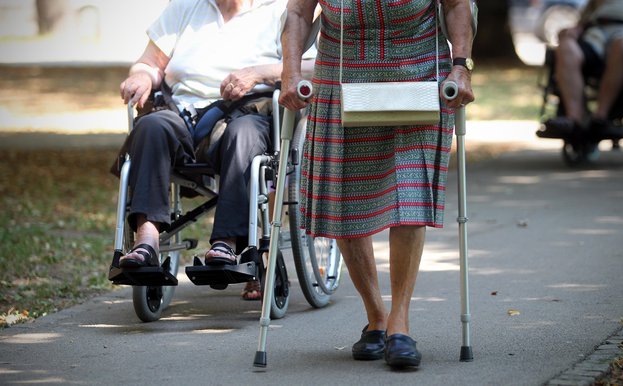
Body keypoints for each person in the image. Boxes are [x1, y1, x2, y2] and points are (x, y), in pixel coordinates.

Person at [279, 0, 475, 369]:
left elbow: (457, 5)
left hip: (417, 70)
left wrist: (461, 67)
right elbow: (298, 13)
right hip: (341, 72)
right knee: (344, 199)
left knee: (410, 193)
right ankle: (377, 318)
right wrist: (290, 73)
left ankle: (399, 324)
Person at [116, 0, 315, 301]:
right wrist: (142, 75)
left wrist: (259, 73)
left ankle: (226, 243)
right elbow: (150, 62)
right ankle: (146, 240)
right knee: (150, 127)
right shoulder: (186, 7)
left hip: (248, 114)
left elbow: (312, 68)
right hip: (181, 114)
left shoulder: (281, 10)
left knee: (244, 133)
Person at [539, 0, 623, 139]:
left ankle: (601, 118)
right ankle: (574, 119)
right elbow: (584, 18)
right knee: (566, 46)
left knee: (622, 46)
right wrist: (576, 29)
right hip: (596, 31)